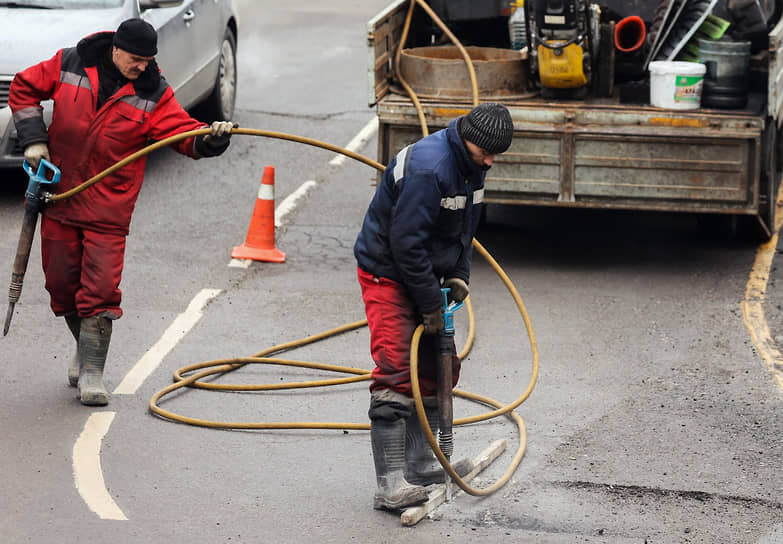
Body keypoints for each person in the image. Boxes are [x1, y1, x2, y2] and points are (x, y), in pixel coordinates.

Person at [9, 18, 237, 406]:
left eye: (149, 60)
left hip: (108, 209)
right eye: (136, 59)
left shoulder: (153, 92)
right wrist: (33, 140)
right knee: (61, 289)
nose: (143, 66)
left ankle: (93, 373)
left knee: (99, 292)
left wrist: (210, 139)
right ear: (116, 50)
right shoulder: (70, 64)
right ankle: (83, 347)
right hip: (61, 198)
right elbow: (23, 88)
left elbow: (182, 135)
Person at [354, 102, 514, 510]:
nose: (491, 162)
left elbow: (467, 229)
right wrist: (429, 303)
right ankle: (389, 484)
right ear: (467, 138)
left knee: (435, 365)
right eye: (487, 153)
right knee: (395, 367)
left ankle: (422, 463)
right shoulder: (431, 168)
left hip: (426, 274)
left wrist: (460, 273)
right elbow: (405, 245)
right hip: (388, 273)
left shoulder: (473, 165)